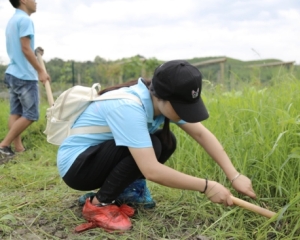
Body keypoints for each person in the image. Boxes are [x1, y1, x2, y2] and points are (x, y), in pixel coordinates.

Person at [57, 60, 257, 232]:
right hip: (78, 167)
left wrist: (234, 175)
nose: (185, 113)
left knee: (165, 141)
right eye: (181, 107)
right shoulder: (129, 107)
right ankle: (99, 205)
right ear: (161, 96)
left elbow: (201, 133)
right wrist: (207, 186)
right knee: (152, 144)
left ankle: (126, 191)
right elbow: (151, 170)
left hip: (97, 158)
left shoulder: (157, 102)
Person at [0, 0, 50, 158]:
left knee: (16, 112)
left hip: (13, 72)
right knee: (31, 114)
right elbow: (25, 48)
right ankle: (3, 145)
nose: (36, 1)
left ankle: (18, 148)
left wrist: (35, 52)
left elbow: (23, 48)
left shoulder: (13, 21)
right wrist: (40, 70)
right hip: (24, 76)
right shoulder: (25, 20)